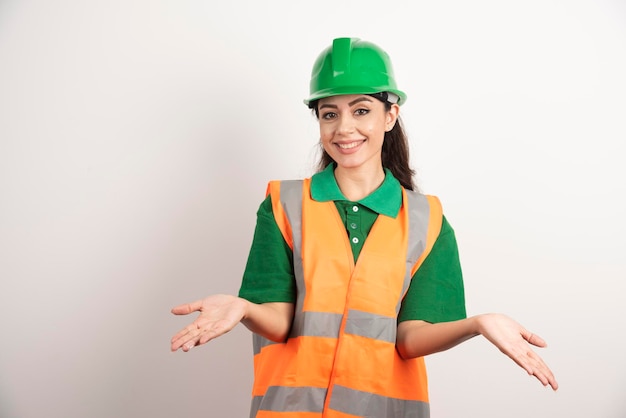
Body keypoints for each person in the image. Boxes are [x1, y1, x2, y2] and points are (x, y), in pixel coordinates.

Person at [170, 37, 558, 418]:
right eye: (329, 113)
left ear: (390, 115)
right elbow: (280, 319)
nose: (343, 128)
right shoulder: (283, 205)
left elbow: (410, 338)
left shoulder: (428, 220)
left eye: (360, 111)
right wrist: (244, 308)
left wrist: (477, 324)